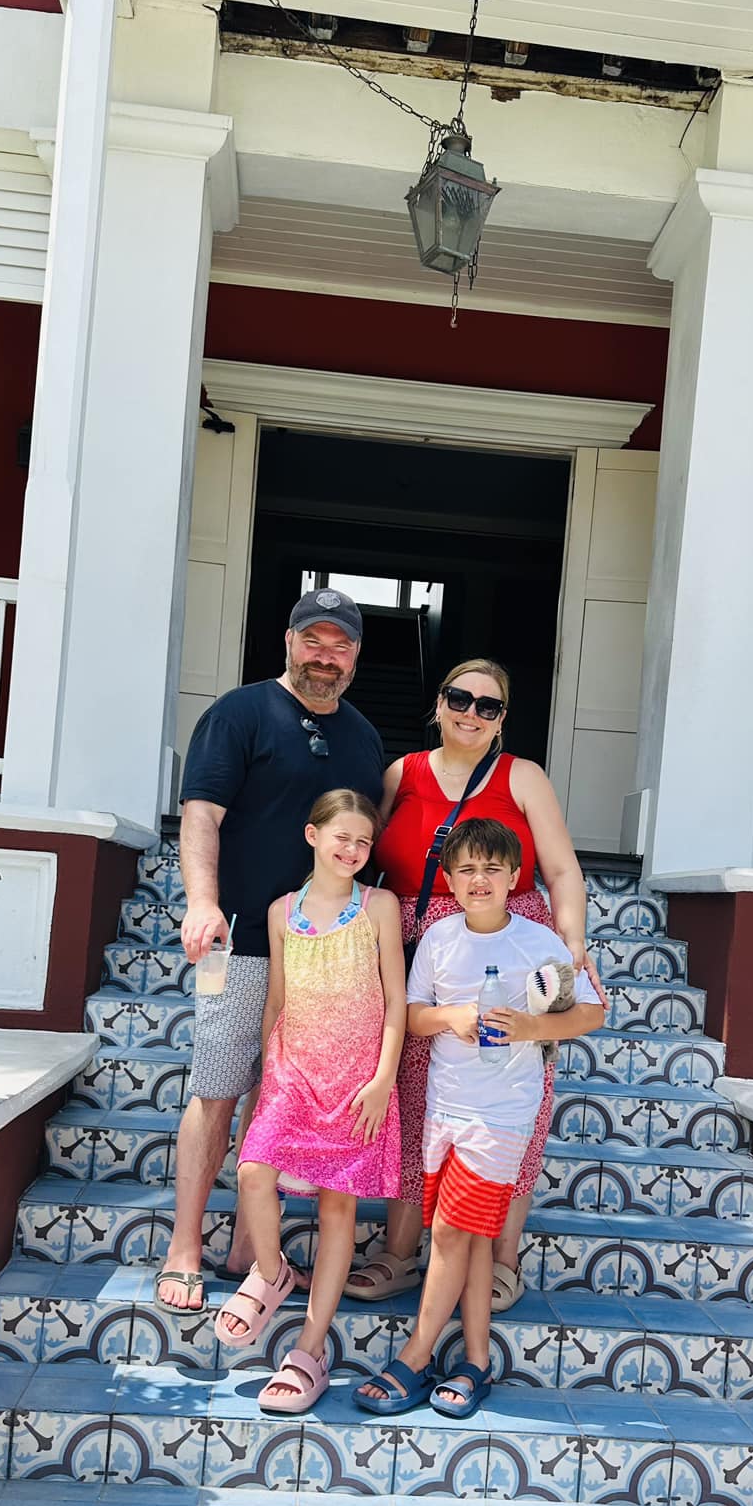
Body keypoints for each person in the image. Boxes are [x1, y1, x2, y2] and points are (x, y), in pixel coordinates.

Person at [158, 590, 385, 1313]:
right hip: (242, 939)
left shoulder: (363, 738)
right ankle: (186, 1246)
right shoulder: (240, 713)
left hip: (328, 955)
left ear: (355, 656)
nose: (326, 657)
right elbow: (202, 816)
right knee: (220, 1084)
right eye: (313, 642)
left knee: (283, 1093)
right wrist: (201, 902)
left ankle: (251, 1245)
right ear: (289, 642)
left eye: (340, 645)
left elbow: (360, 840)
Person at [347, 658, 597, 1315]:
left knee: (512, 1102)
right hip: (414, 953)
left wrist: (571, 946)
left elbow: (563, 872)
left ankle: (500, 1261)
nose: (472, 713)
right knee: (411, 1098)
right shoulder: (403, 773)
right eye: (461, 698)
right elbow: (357, 851)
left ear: (503, 721)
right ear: (439, 702)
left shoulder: (524, 778)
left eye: (489, 705)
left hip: (510, 951)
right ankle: (399, 1252)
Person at [355, 818, 604, 1419]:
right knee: (465, 1241)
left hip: (502, 1115)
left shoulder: (539, 942)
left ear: (516, 877)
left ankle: (414, 1357)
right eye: (467, 869)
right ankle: (474, 1361)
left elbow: (592, 1013)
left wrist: (532, 1028)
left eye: (494, 868)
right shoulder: (439, 938)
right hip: (444, 1109)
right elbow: (414, 1015)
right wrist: (453, 1017)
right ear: (449, 878)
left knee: (447, 1234)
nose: (480, 879)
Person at [211, 790, 405, 1412]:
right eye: (341, 837)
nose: (352, 850)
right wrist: (270, 1073)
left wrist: (381, 1081)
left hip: (357, 1082)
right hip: (294, 1072)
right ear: (312, 835)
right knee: (252, 1170)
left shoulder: (379, 907)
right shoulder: (280, 912)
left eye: (364, 842)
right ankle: (272, 1273)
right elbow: (277, 1001)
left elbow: (397, 1003)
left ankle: (311, 1347)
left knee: (338, 1213)